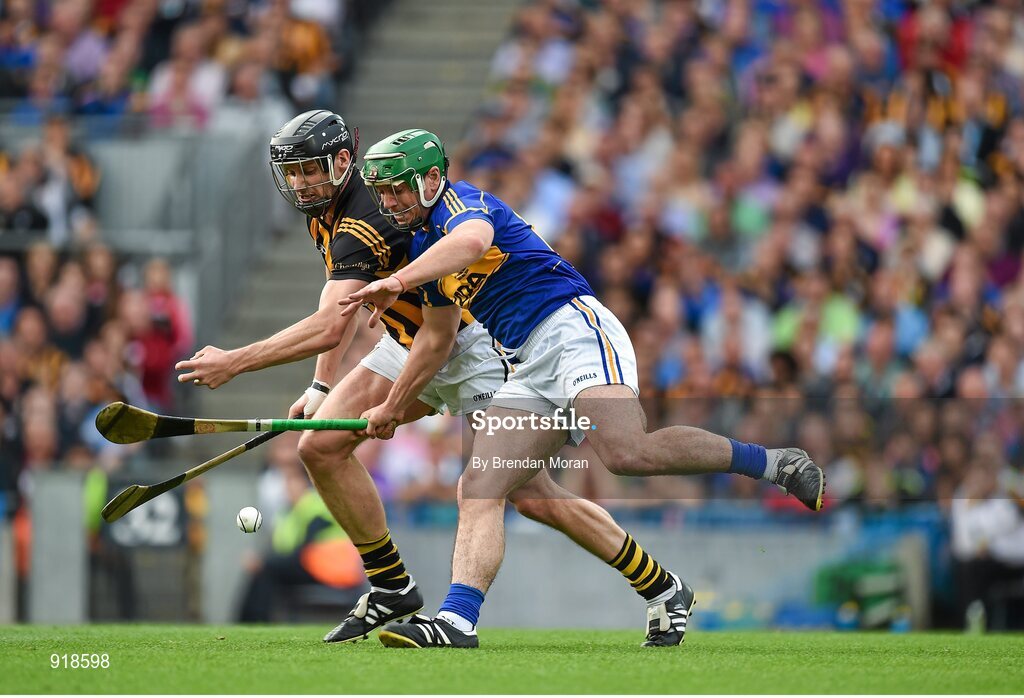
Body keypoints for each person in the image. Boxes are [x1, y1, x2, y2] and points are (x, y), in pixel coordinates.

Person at [175, 111, 694, 647]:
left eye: (312, 169)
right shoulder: (324, 213)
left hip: (473, 346)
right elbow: (340, 304)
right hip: (408, 342)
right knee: (321, 446)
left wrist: (236, 360)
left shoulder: (362, 223)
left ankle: (656, 586)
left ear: (343, 162)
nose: (303, 182)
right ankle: (392, 587)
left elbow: (333, 328)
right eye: (295, 172)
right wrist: (321, 387)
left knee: (530, 495)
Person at [341, 129, 826, 649]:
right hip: (526, 363)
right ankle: (457, 622)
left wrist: (396, 281)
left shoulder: (464, 204)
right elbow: (435, 343)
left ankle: (774, 463)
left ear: (433, 179)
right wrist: (391, 407)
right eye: (382, 191)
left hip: (574, 332)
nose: (390, 202)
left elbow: (473, 243)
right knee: (481, 486)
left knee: (626, 452)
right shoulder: (421, 249)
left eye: (399, 189)